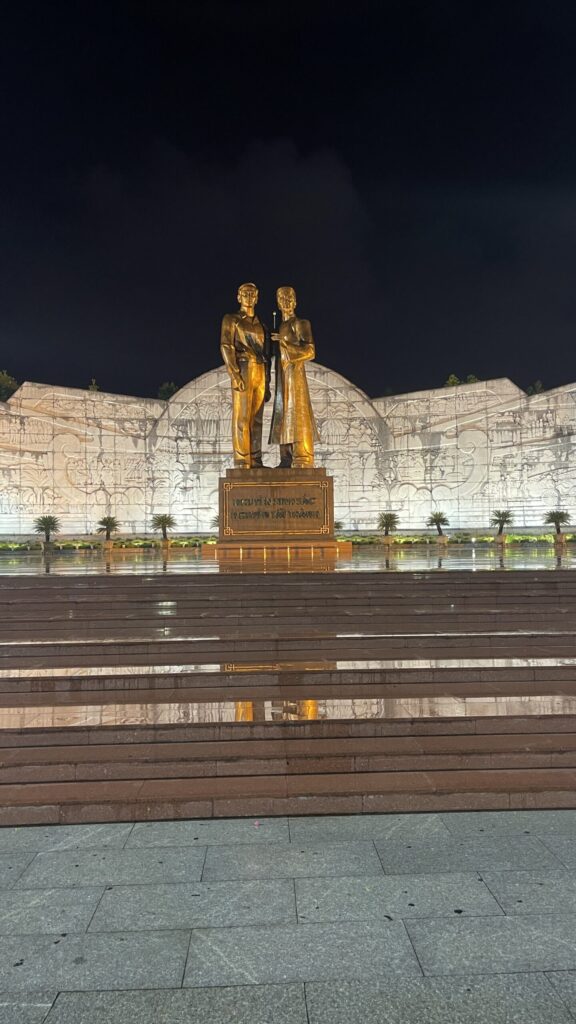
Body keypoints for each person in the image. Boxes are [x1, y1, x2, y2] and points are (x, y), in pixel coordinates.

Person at [220, 282, 270, 469]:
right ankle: (242, 459)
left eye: (252, 294)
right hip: (243, 367)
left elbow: (266, 353)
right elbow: (226, 346)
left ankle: (255, 459)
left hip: (260, 370)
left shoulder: (261, 325)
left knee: (257, 418)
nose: (249, 297)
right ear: (238, 297)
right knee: (242, 417)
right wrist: (234, 374)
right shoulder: (232, 319)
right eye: (245, 294)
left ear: (257, 298)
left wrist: (267, 381)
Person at [269, 285, 319, 468]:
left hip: (295, 373)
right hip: (282, 374)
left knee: (297, 411)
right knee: (283, 412)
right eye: (282, 298)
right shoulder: (280, 326)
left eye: (289, 298)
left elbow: (310, 351)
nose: (286, 302)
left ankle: (302, 456)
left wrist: (285, 344)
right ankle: (286, 457)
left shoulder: (301, 323)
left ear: (295, 301)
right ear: (278, 303)